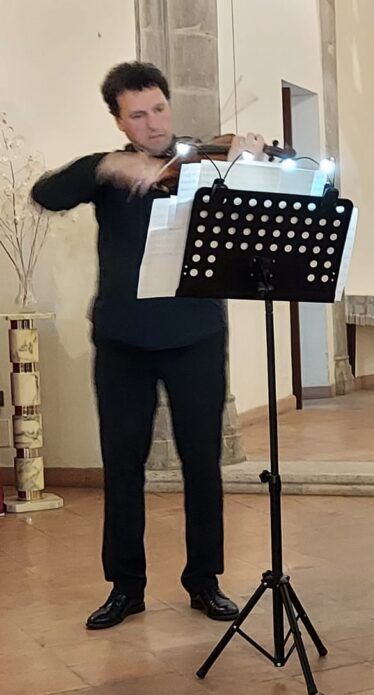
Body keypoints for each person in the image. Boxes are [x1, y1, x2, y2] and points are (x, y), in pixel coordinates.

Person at [32, 61, 268, 629]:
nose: (154, 123)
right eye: (138, 115)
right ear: (119, 120)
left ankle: (204, 580)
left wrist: (251, 157)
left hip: (196, 336)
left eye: (159, 108)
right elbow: (47, 193)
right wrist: (105, 165)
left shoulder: (205, 163)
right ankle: (126, 586)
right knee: (122, 466)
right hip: (122, 341)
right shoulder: (107, 173)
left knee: (201, 464)